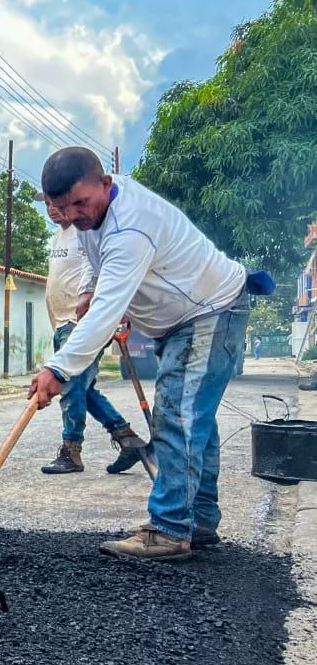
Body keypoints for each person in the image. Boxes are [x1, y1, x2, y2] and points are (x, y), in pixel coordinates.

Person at [28, 147, 249, 561]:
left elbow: (108, 311)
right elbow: (97, 259)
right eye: (62, 208)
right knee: (193, 416)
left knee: (178, 413)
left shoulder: (131, 226)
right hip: (184, 319)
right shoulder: (93, 215)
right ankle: (197, 519)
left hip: (210, 310)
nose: (74, 214)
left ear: (106, 184)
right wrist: (90, 288)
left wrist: (58, 369)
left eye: (81, 203)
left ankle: (168, 528)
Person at [40, 195, 147, 475]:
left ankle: (71, 451)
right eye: (46, 204)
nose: (51, 209)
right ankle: (127, 439)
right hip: (62, 322)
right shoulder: (57, 238)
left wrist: (92, 297)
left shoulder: (84, 233)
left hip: (83, 323)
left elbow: (97, 267)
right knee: (82, 388)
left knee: (71, 385)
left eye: (56, 203)